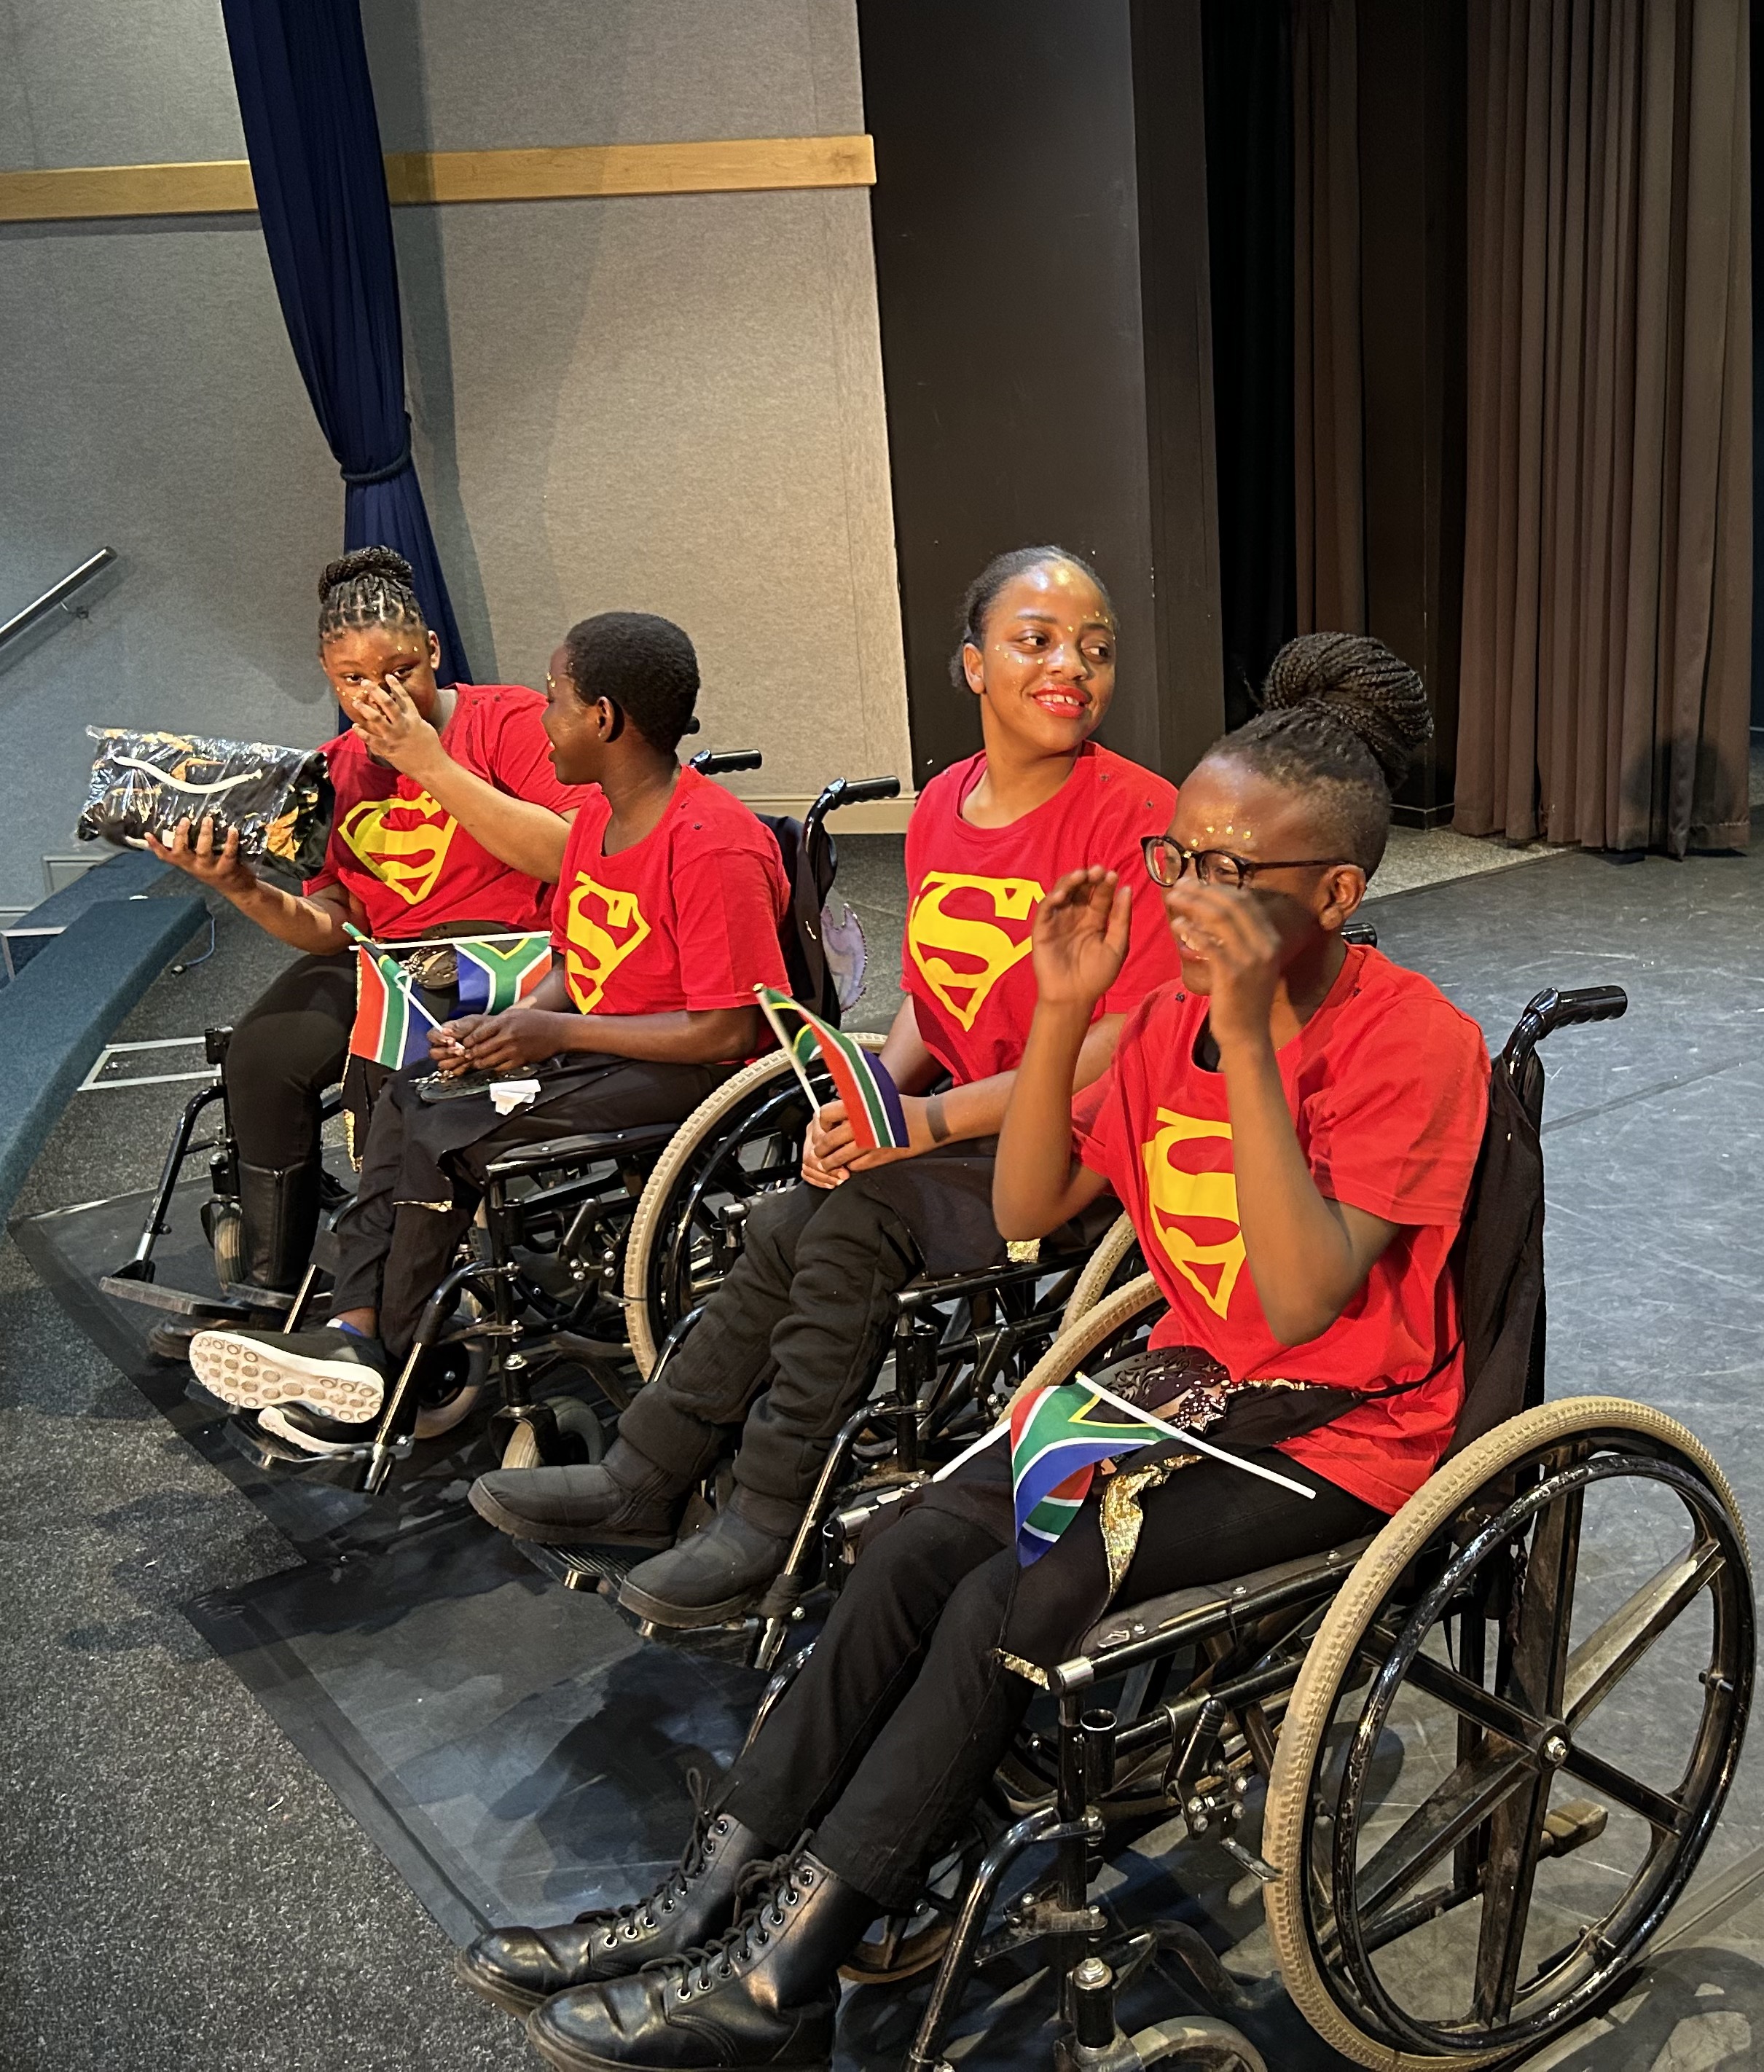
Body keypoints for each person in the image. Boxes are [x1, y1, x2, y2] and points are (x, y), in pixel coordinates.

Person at [455, 634, 1493, 2072]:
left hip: (1336, 1428)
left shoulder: (1412, 1044)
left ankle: (784, 1969)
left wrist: (1251, 1042)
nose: (1188, 897)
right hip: (1179, 1389)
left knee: (1010, 1595)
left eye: (1231, 874)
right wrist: (1063, 1009)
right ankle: (703, 1893)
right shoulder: (1159, 1020)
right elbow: (1027, 1209)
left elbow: (1308, 1297)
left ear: (1334, 894)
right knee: (901, 1547)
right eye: (1178, 860)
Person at [466, 546, 1182, 1630]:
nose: (1070, 667)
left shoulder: (1136, 815)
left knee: (852, 1222)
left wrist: (924, 1121)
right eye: (1035, 641)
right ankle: (641, 1473)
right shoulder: (944, 805)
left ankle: (765, 1519)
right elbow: (935, 998)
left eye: (1095, 648)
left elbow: (1121, 1042)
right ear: (972, 664)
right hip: (959, 1123)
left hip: (1075, 1145)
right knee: (784, 1217)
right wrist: (874, 1098)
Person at [187, 610, 791, 1454]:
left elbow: (727, 1030)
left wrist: (557, 1033)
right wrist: (516, 1018)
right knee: (412, 1091)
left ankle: (389, 1367)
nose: (543, 719)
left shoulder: (711, 843)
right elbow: (577, 959)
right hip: (600, 1041)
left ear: (603, 719)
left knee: (449, 1130)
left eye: (556, 700)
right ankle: (351, 1326)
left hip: (684, 1067)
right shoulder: (599, 825)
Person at [145, 546, 582, 1357]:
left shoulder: (509, 721)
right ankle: (272, 1293)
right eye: (352, 680)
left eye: (400, 671)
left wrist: (430, 764)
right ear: (328, 675)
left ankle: (394, 1297)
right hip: (386, 960)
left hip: (512, 957)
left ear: (436, 652)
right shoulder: (332, 770)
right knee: (261, 1054)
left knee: (402, 1070)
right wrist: (242, 888)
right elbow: (331, 922)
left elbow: (568, 854)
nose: (379, 695)